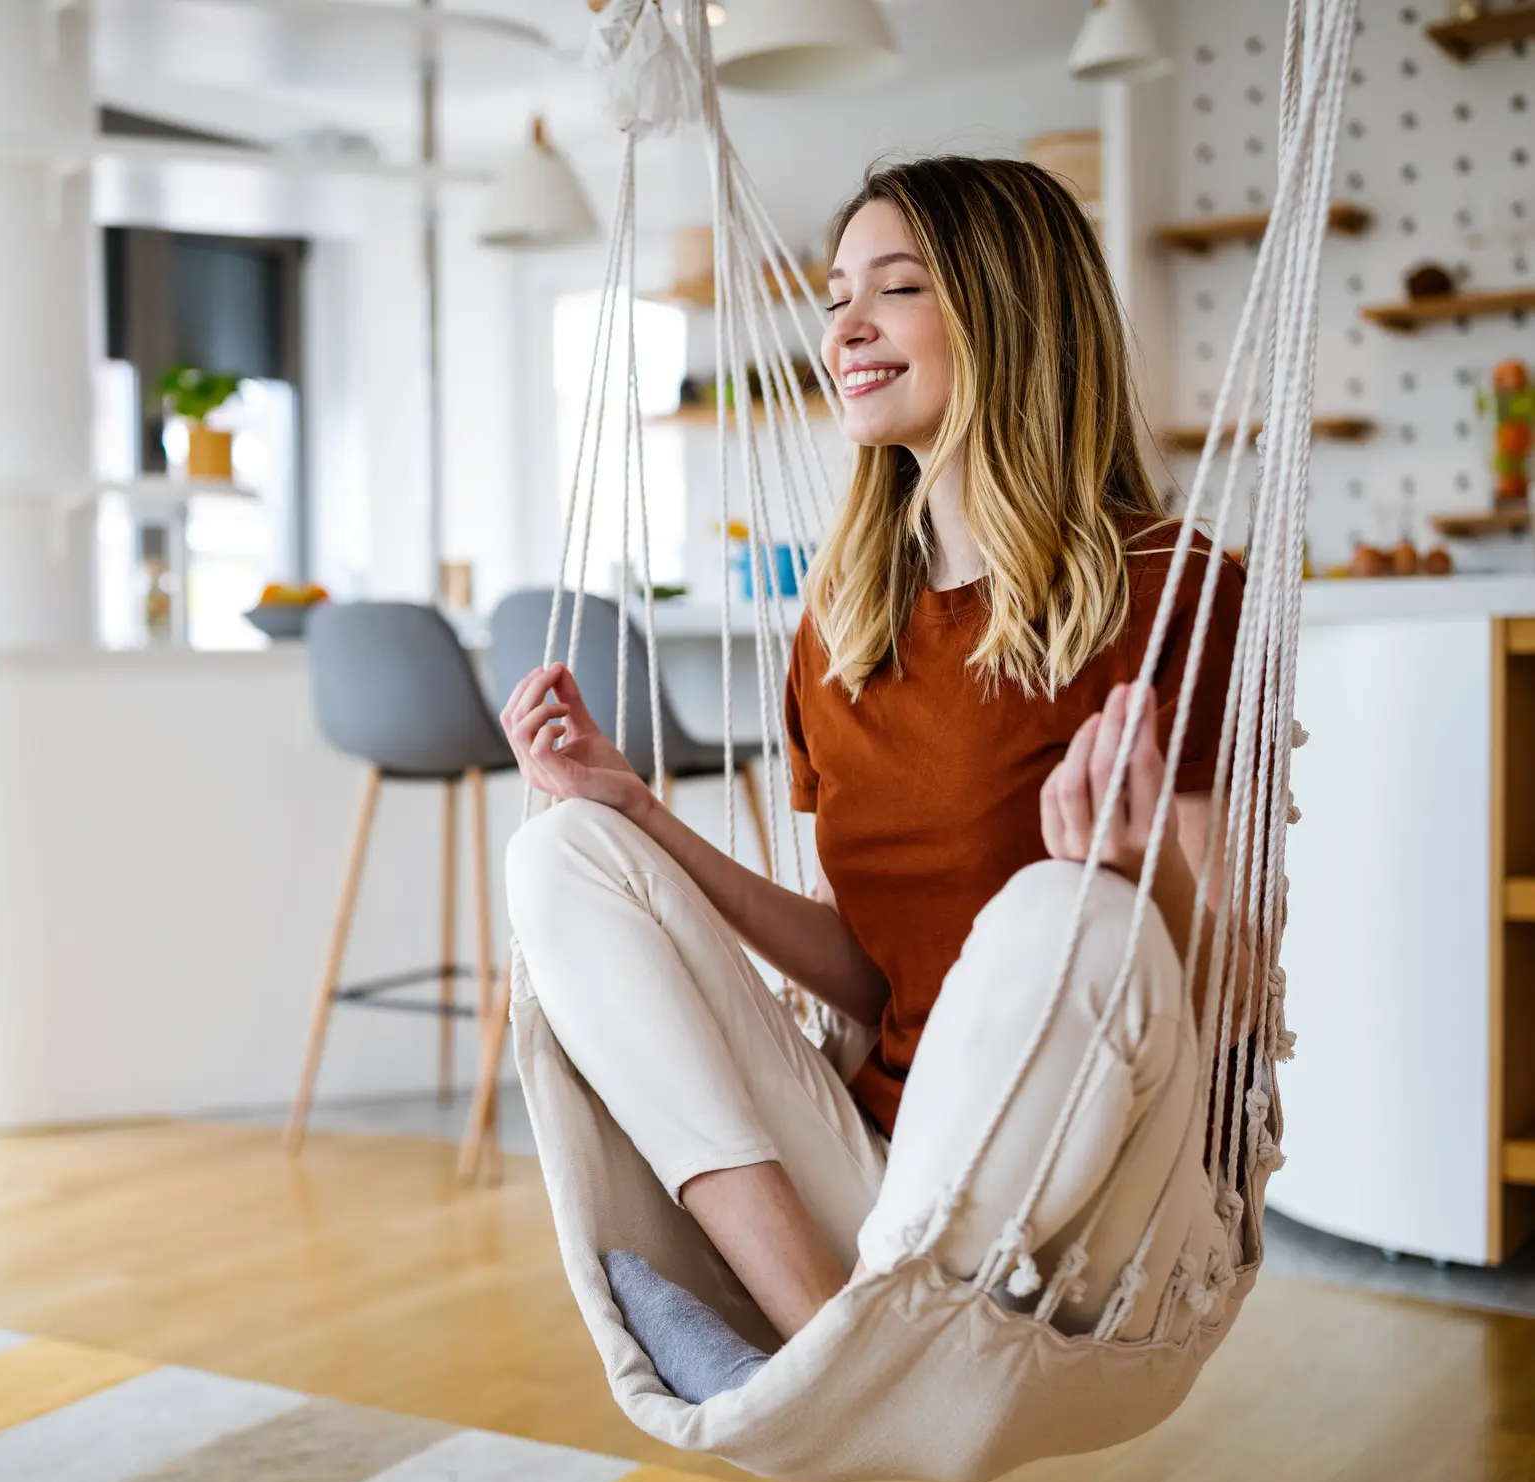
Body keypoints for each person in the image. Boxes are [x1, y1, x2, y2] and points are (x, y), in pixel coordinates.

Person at [501, 156, 1247, 1404]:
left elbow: (1218, 996)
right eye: (835, 293)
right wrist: (635, 816)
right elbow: (867, 968)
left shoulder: (1169, 586)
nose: (841, 326)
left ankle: (851, 1356)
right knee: (559, 850)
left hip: (1082, 1208)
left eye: (893, 290)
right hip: (878, 1186)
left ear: (1007, 313)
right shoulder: (840, 629)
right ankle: (818, 1344)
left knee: (1061, 913)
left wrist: (1126, 882)